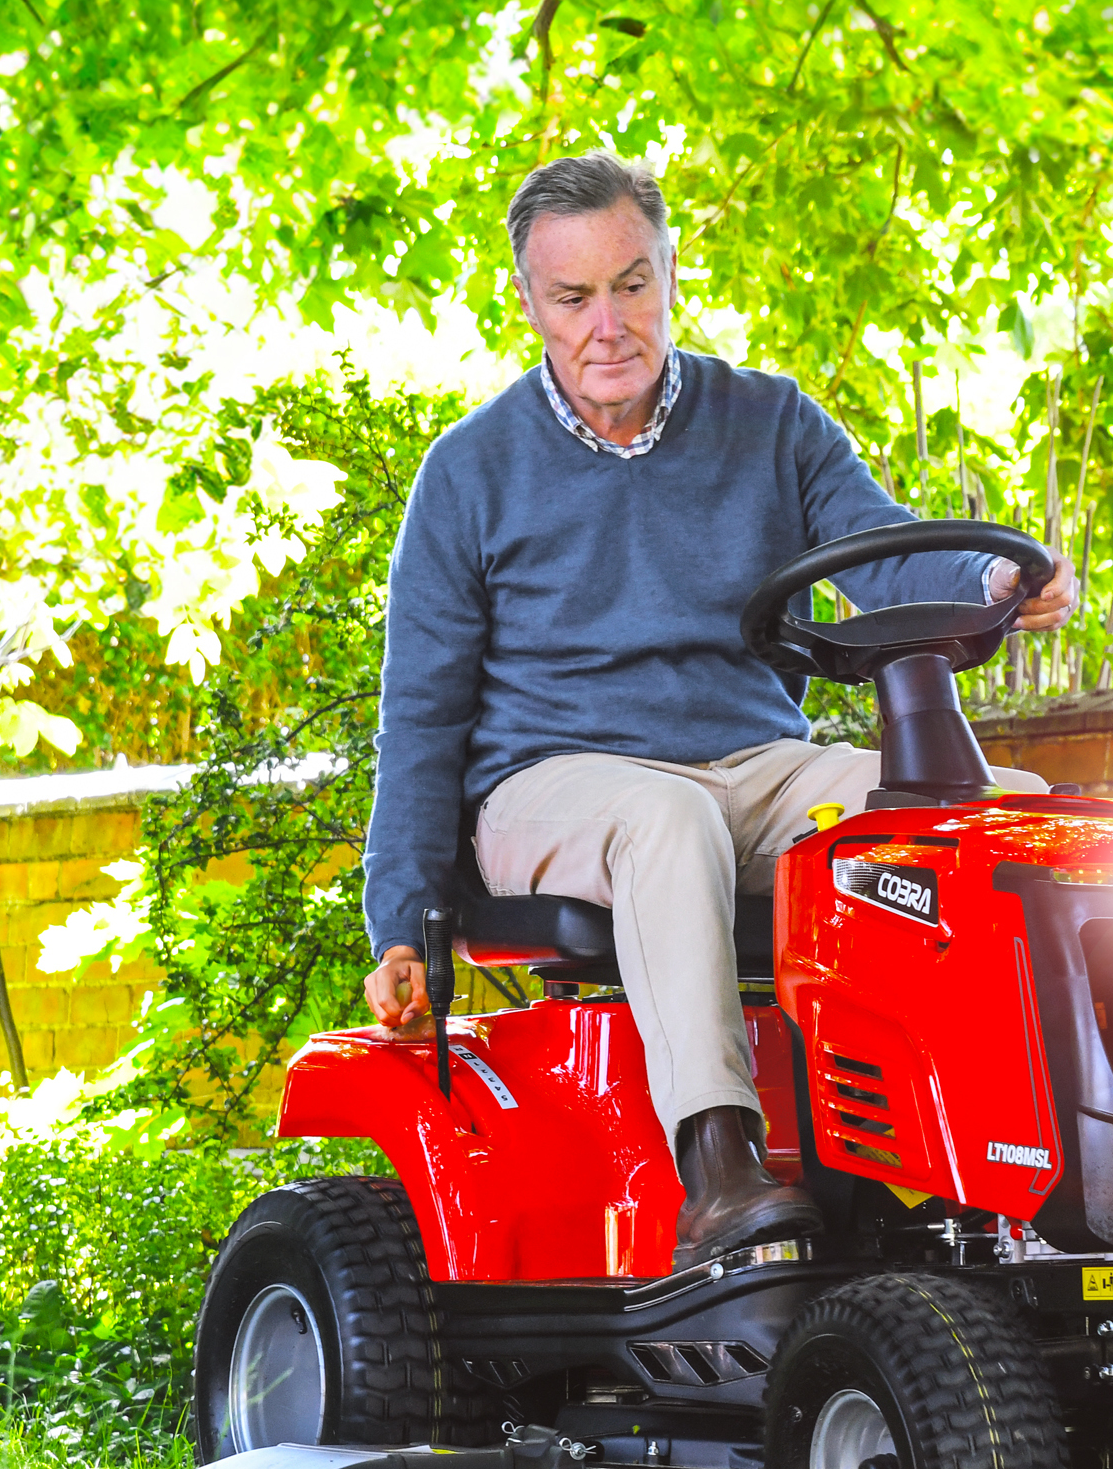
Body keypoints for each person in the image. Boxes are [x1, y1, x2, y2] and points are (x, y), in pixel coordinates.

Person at [360, 151, 1076, 1267]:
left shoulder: (770, 423)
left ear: (671, 273)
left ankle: (1012, 1156)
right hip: (553, 787)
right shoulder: (470, 473)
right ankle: (720, 1168)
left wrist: (992, 587)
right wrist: (403, 923)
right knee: (665, 822)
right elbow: (421, 719)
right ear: (529, 304)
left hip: (750, 762)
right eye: (575, 296)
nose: (609, 323)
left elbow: (889, 562)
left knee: (990, 817)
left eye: (633, 284)